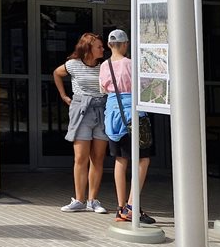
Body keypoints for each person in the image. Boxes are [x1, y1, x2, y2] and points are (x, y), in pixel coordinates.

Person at [100, 29, 155, 224]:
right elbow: (146, 86)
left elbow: (103, 89)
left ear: (108, 45)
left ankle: (121, 207)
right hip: (133, 115)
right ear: (125, 44)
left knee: (120, 160)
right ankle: (132, 205)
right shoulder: (131, 64)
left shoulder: (104, 65)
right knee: (142, 159)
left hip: (112, 115)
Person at [53, 32, 110, 213]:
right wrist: (63, 95)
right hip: (81, 109)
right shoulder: (73, 65)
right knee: (80, 157)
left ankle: (93, 200)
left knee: (98, 157)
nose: (103, 49)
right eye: (99, 47)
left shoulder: (105, 66)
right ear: (88, 48)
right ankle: (79, 199)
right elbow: (56, 73)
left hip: (101, 108)